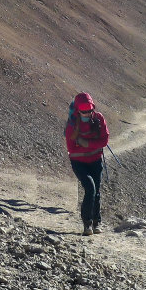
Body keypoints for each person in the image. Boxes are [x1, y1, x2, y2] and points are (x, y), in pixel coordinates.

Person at [64, 92, 109, 236]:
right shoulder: (72, 125)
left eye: (89, 110)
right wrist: (93, 146)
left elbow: (105, 140)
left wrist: (85, 144)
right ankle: (87, 224)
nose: (87, 113)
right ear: (78, 110)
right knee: (90, 189)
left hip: (95, 161)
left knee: (96, 193)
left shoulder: (99, 118)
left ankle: (97, 223)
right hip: (79, 163)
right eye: (84, 111)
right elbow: (71, 148)